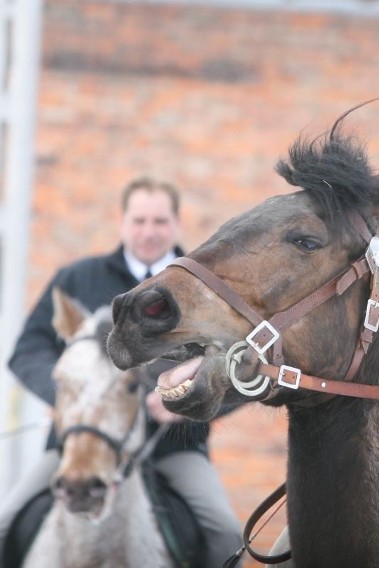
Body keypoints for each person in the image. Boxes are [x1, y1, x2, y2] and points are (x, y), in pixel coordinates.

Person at [0, 177, 243, 566]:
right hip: (80, 445)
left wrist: (191, 400)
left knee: (225, 533)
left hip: (174, 446)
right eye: (140, 220)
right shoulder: (77, 278)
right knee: (4, 523)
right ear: (123, 222)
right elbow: (29, 349)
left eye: (159, 221)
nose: (149, 231)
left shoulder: (204, 289)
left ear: (177, 223)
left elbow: (237, 363)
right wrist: (70, 396)